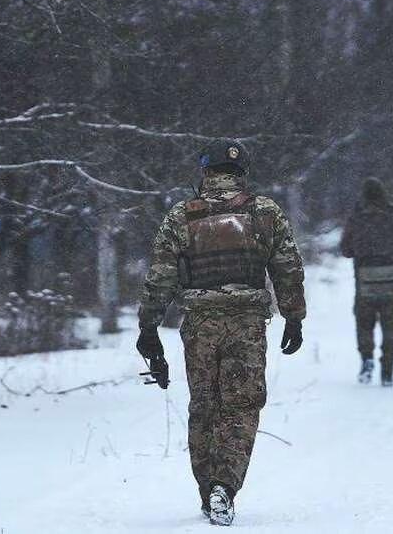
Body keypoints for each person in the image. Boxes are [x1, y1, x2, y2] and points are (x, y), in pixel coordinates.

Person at [136, 138, 306, 526]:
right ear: (241, 173)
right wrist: (294, 316)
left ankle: (206, 489)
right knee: (242, 406)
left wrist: (149, 328)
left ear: (204, 173)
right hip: (246, 325)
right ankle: (224, 488)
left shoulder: (182, 216)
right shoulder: (264, 212)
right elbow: (287, 266)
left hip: (199, 326)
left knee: (204, 406)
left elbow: (160, 277)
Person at [340, 177, 393, 386]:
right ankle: (387, 370)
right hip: (391, 281)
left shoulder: (356, 218)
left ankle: (366, 360)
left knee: (364, 325)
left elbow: (346, 250)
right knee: (390, 328)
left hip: (365, 282)